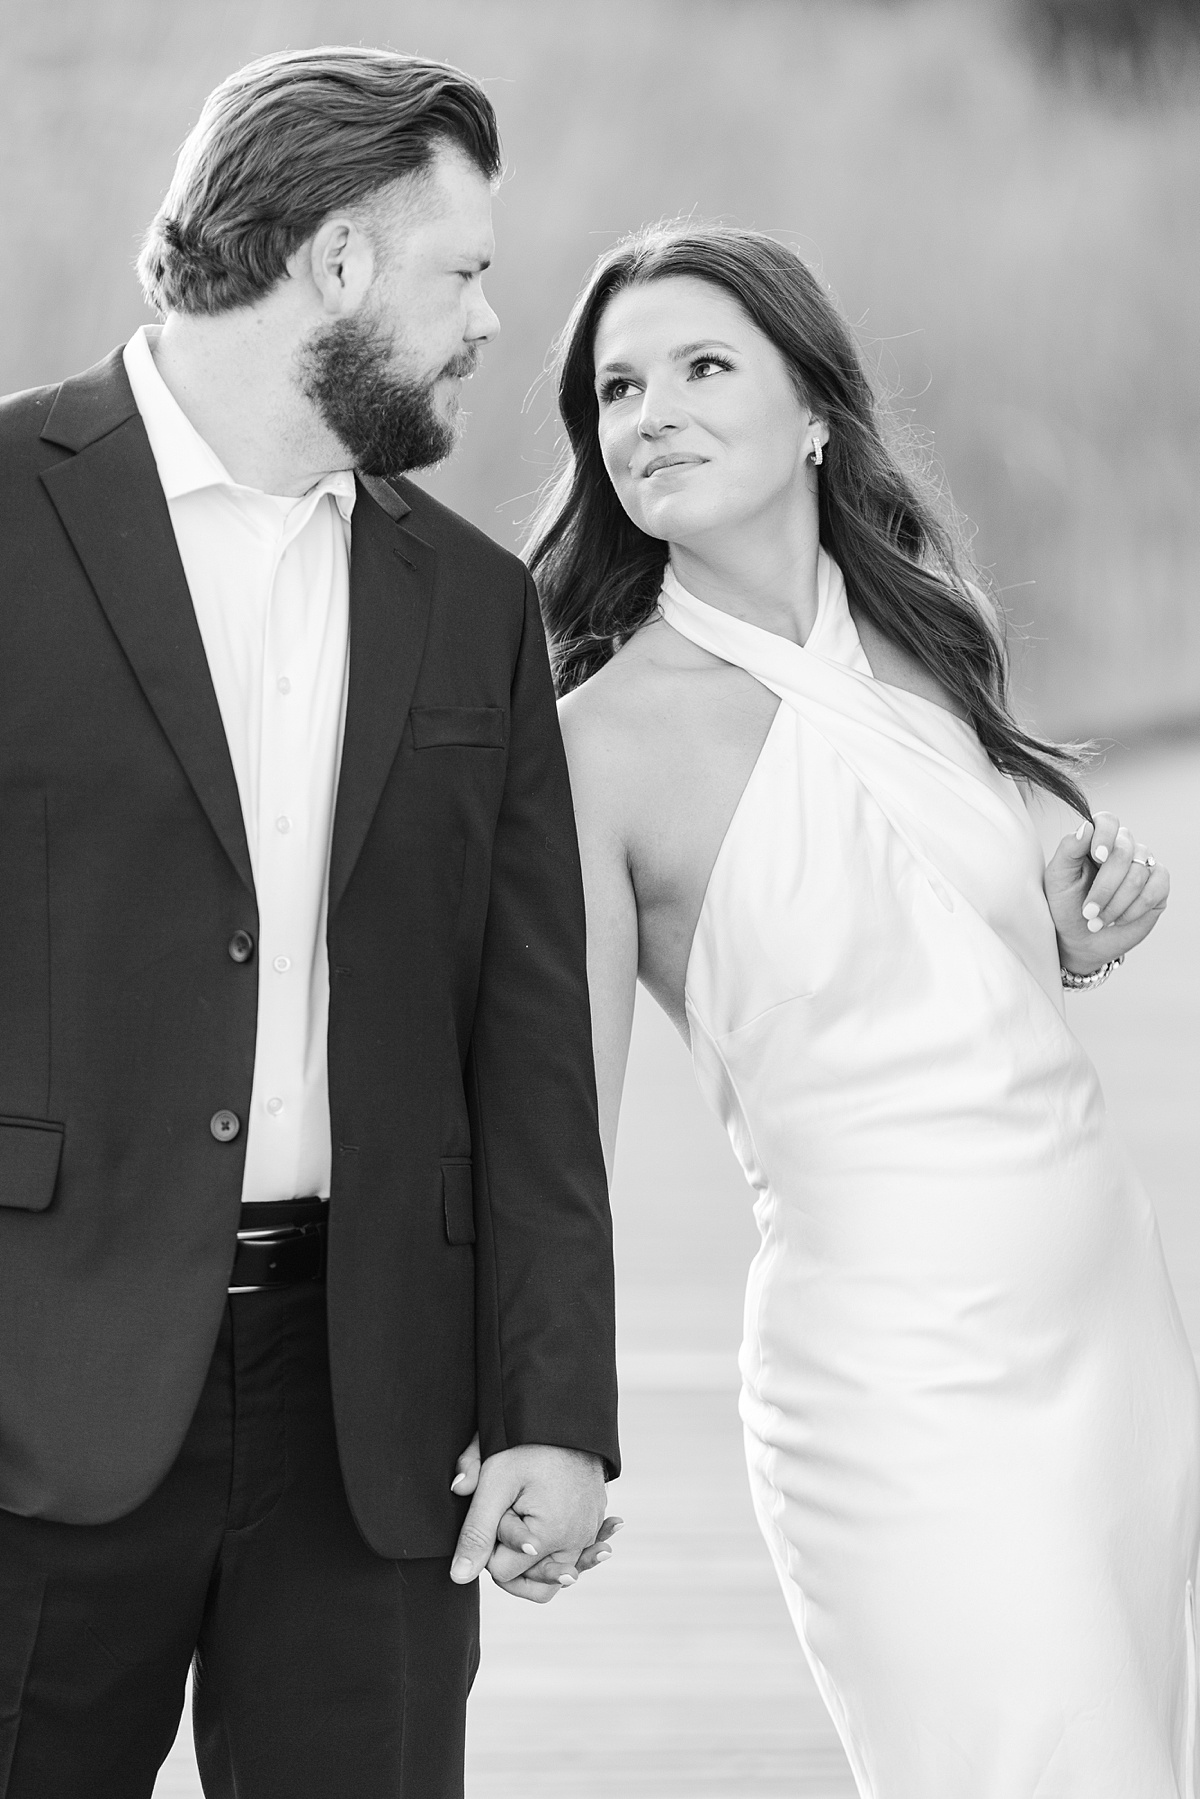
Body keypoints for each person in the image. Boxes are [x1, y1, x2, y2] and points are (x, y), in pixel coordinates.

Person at [0, 47, 619, 1799]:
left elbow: (528, 1041)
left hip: (377, 1425)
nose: (494, 322)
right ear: (337, 262)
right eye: (466, 271)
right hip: (37, 1396)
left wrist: (556, 1406)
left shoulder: (476, 605)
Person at [527, 222, 1200, 1795]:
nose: (652, 415)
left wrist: (1075, 904)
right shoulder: (595, 744)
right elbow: (569, 1120)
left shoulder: (922, 635)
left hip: (1102, 1319)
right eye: (618, 390)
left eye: (704, 368)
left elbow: (992, 882)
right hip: (888, 1371)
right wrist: (542, 1413)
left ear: (817, 412)